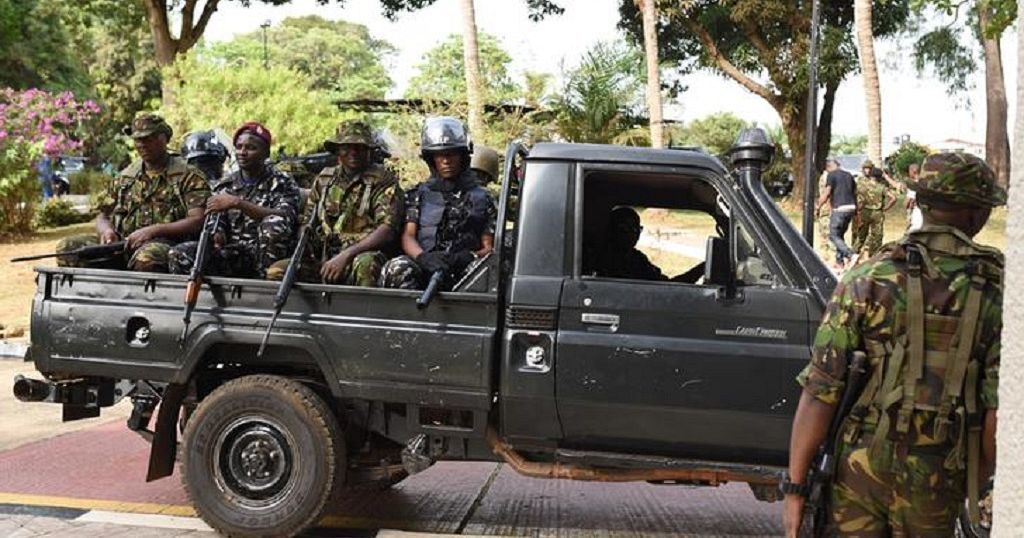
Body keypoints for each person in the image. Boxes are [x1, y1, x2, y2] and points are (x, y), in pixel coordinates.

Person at [783, 151, 1005, 537]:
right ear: (976, 214)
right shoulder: (1001, 292)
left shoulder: (867, 277)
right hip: (941, 473)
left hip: (857, 470)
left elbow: (820, 392)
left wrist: (796, 489)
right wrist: (977, 479)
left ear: (919, 202)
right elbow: (997, 413)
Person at [55, 114, 210, 272]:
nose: (142, 144)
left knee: (147, 257)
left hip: (170, 245)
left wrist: (154, 230)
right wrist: (107, 231)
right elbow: (103, 215)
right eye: (138, 140)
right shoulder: (126, 177)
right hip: (123, 244)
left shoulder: (188, 176)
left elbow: (197, 220)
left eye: (148, 138)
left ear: (165, 138)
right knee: (68, 248)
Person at [265, 120, 401, 286]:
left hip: (360, 255)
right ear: (337, 150)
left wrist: (347, 255)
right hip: (323, 257)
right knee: (277, 271)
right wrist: (305, 243)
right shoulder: (324, 179)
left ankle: (360, 311)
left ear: (369, 151)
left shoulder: (383, 181)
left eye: (359, 147)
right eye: (346, 147)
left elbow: (387, 230)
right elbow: (307, 220)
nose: (353, 153)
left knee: (366, 265)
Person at [169, 122, 299, 278]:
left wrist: (239, 203)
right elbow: (214, 221)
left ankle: (262, 286)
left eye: (251, 148)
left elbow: (286, 216)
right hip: (235, 254)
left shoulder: (282, 182)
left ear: (266, 153)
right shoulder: (225, 185)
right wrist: (217, 233)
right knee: (179, 253)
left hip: (266, 256)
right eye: (239, 147)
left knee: (273, 223)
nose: (242, 152)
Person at [379, 117, 495, 290]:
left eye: (451, 154)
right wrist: (423, 258)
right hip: (426, 263)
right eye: (439, 155)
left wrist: (467, 257)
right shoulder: (418, 194)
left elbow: (489, 249)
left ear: (463, 156)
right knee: (397, 268)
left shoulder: (484, 198)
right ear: (431, 159)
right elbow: (408, 235)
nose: (446, 161)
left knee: (483, 272)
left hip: (465, 268)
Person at [815, 158, 857, 268]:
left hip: (840, 208)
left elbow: (827, 193)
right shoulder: (849, 175)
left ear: (829, 166)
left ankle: (850, 254)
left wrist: (818, 206)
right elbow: (854, 193)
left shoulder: (832, 175)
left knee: (833, 235)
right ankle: (839, 262)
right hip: (851, 208)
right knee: (840, 235)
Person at [851, 163, 897, 259]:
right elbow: (893, 198)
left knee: (861, 235)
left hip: (864, 212)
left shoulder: (862, 185)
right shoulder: (882, 187)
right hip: (878, 213)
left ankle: (854, 254)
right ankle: (874, 256)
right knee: (877, 236)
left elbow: (857, 197)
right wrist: (886, 208)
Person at [815, 168, 834, 264]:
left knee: (825, 230)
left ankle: (826, 253)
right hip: (830, 208)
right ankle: (825, 253)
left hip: (826, 208)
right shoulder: (829, 177)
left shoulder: (826, 178)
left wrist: (818, 206)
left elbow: (825, 194)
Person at [905, 163, 923, 232]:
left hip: (916, 214)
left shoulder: (914, 185)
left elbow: (908, 202)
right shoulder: (926, 183)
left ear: (912, 171)